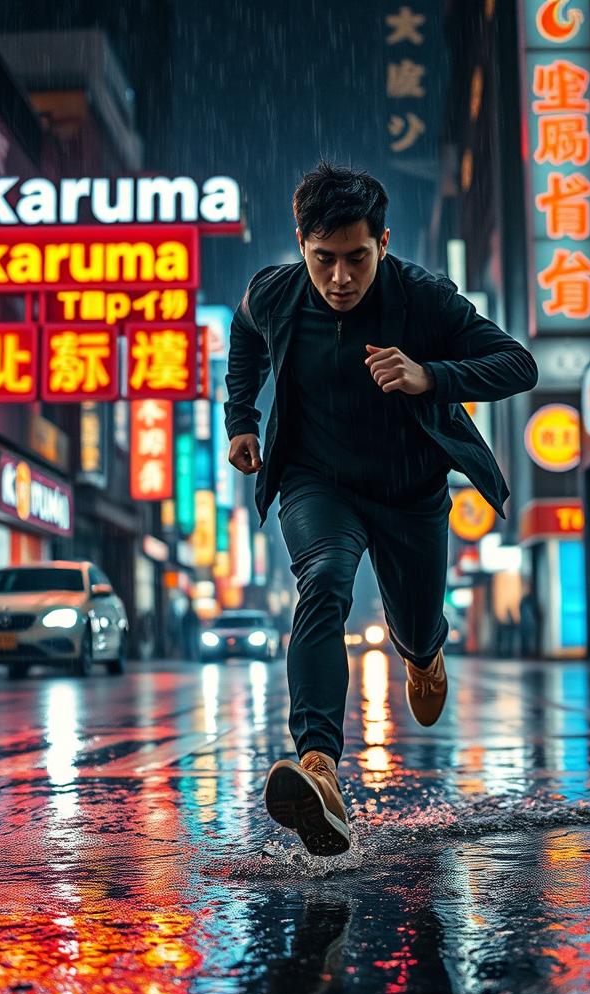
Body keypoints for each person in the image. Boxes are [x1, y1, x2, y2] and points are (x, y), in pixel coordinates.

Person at [224, 162, 537, 856]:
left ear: (384, 243)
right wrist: (240, 419)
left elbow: (518, 364)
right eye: (324, 259)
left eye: (357, 259)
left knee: (419, 628)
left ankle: (424, 654)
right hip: (317, 482)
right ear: (300, 245)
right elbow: (243, 338)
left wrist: (432, 376)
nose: (340, 278)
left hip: (411, 490)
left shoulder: (423, 299)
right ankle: (320, 770)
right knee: (325, 580)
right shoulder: (274, 295)